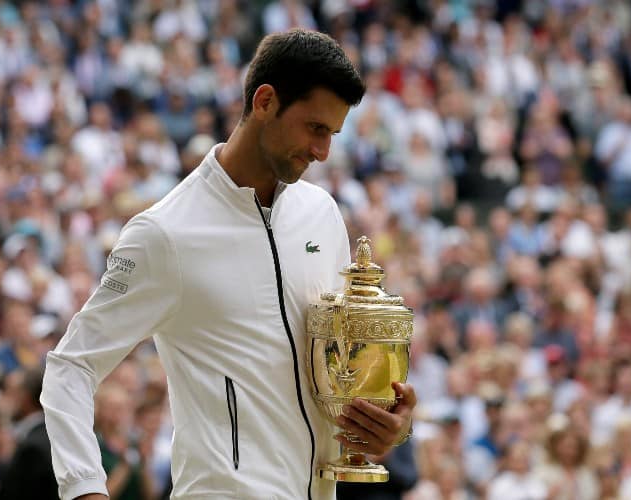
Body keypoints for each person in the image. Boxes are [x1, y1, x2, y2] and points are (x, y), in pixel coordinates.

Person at [41, 29, 417, 500]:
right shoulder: (165, 233)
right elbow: (70, 367)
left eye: (333, 134)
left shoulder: (322, 214)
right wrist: (84, 488)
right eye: (316, 129)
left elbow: (335, 373)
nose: (323, 152)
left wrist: (387, 425)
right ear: (264, 101)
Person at [0, 365, 59, 500]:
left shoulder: (32, 448)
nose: (4, 399)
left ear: (25, 397)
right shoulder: (52, 435)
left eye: (11, 392)